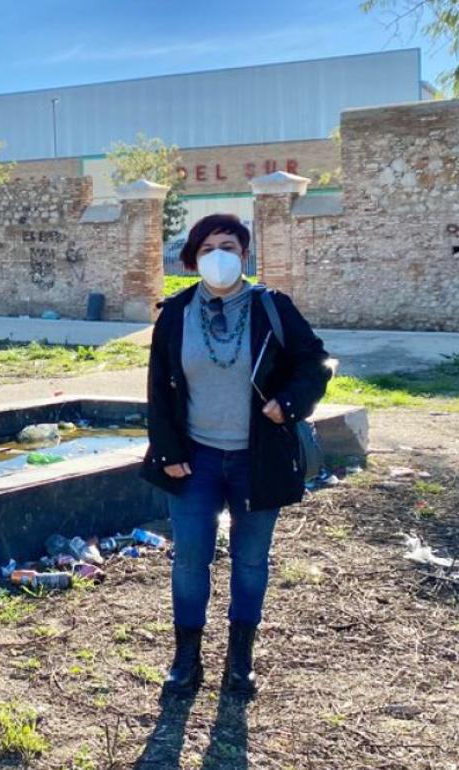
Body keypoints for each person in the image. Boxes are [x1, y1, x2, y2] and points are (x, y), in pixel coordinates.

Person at [140, 213, 330, 697]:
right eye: (206, 249)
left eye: (228, 246)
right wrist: (167, 449)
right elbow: (160, 390)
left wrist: (286, 405)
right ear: (193, 259)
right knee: (189, 561)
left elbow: (315, 363)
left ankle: (240, 660)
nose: (217, 256)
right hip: (195, 459)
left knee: (250, 561)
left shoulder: (273, 307)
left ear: (244, 255)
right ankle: (186, 659)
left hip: (257, 458)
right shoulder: (176, 313)